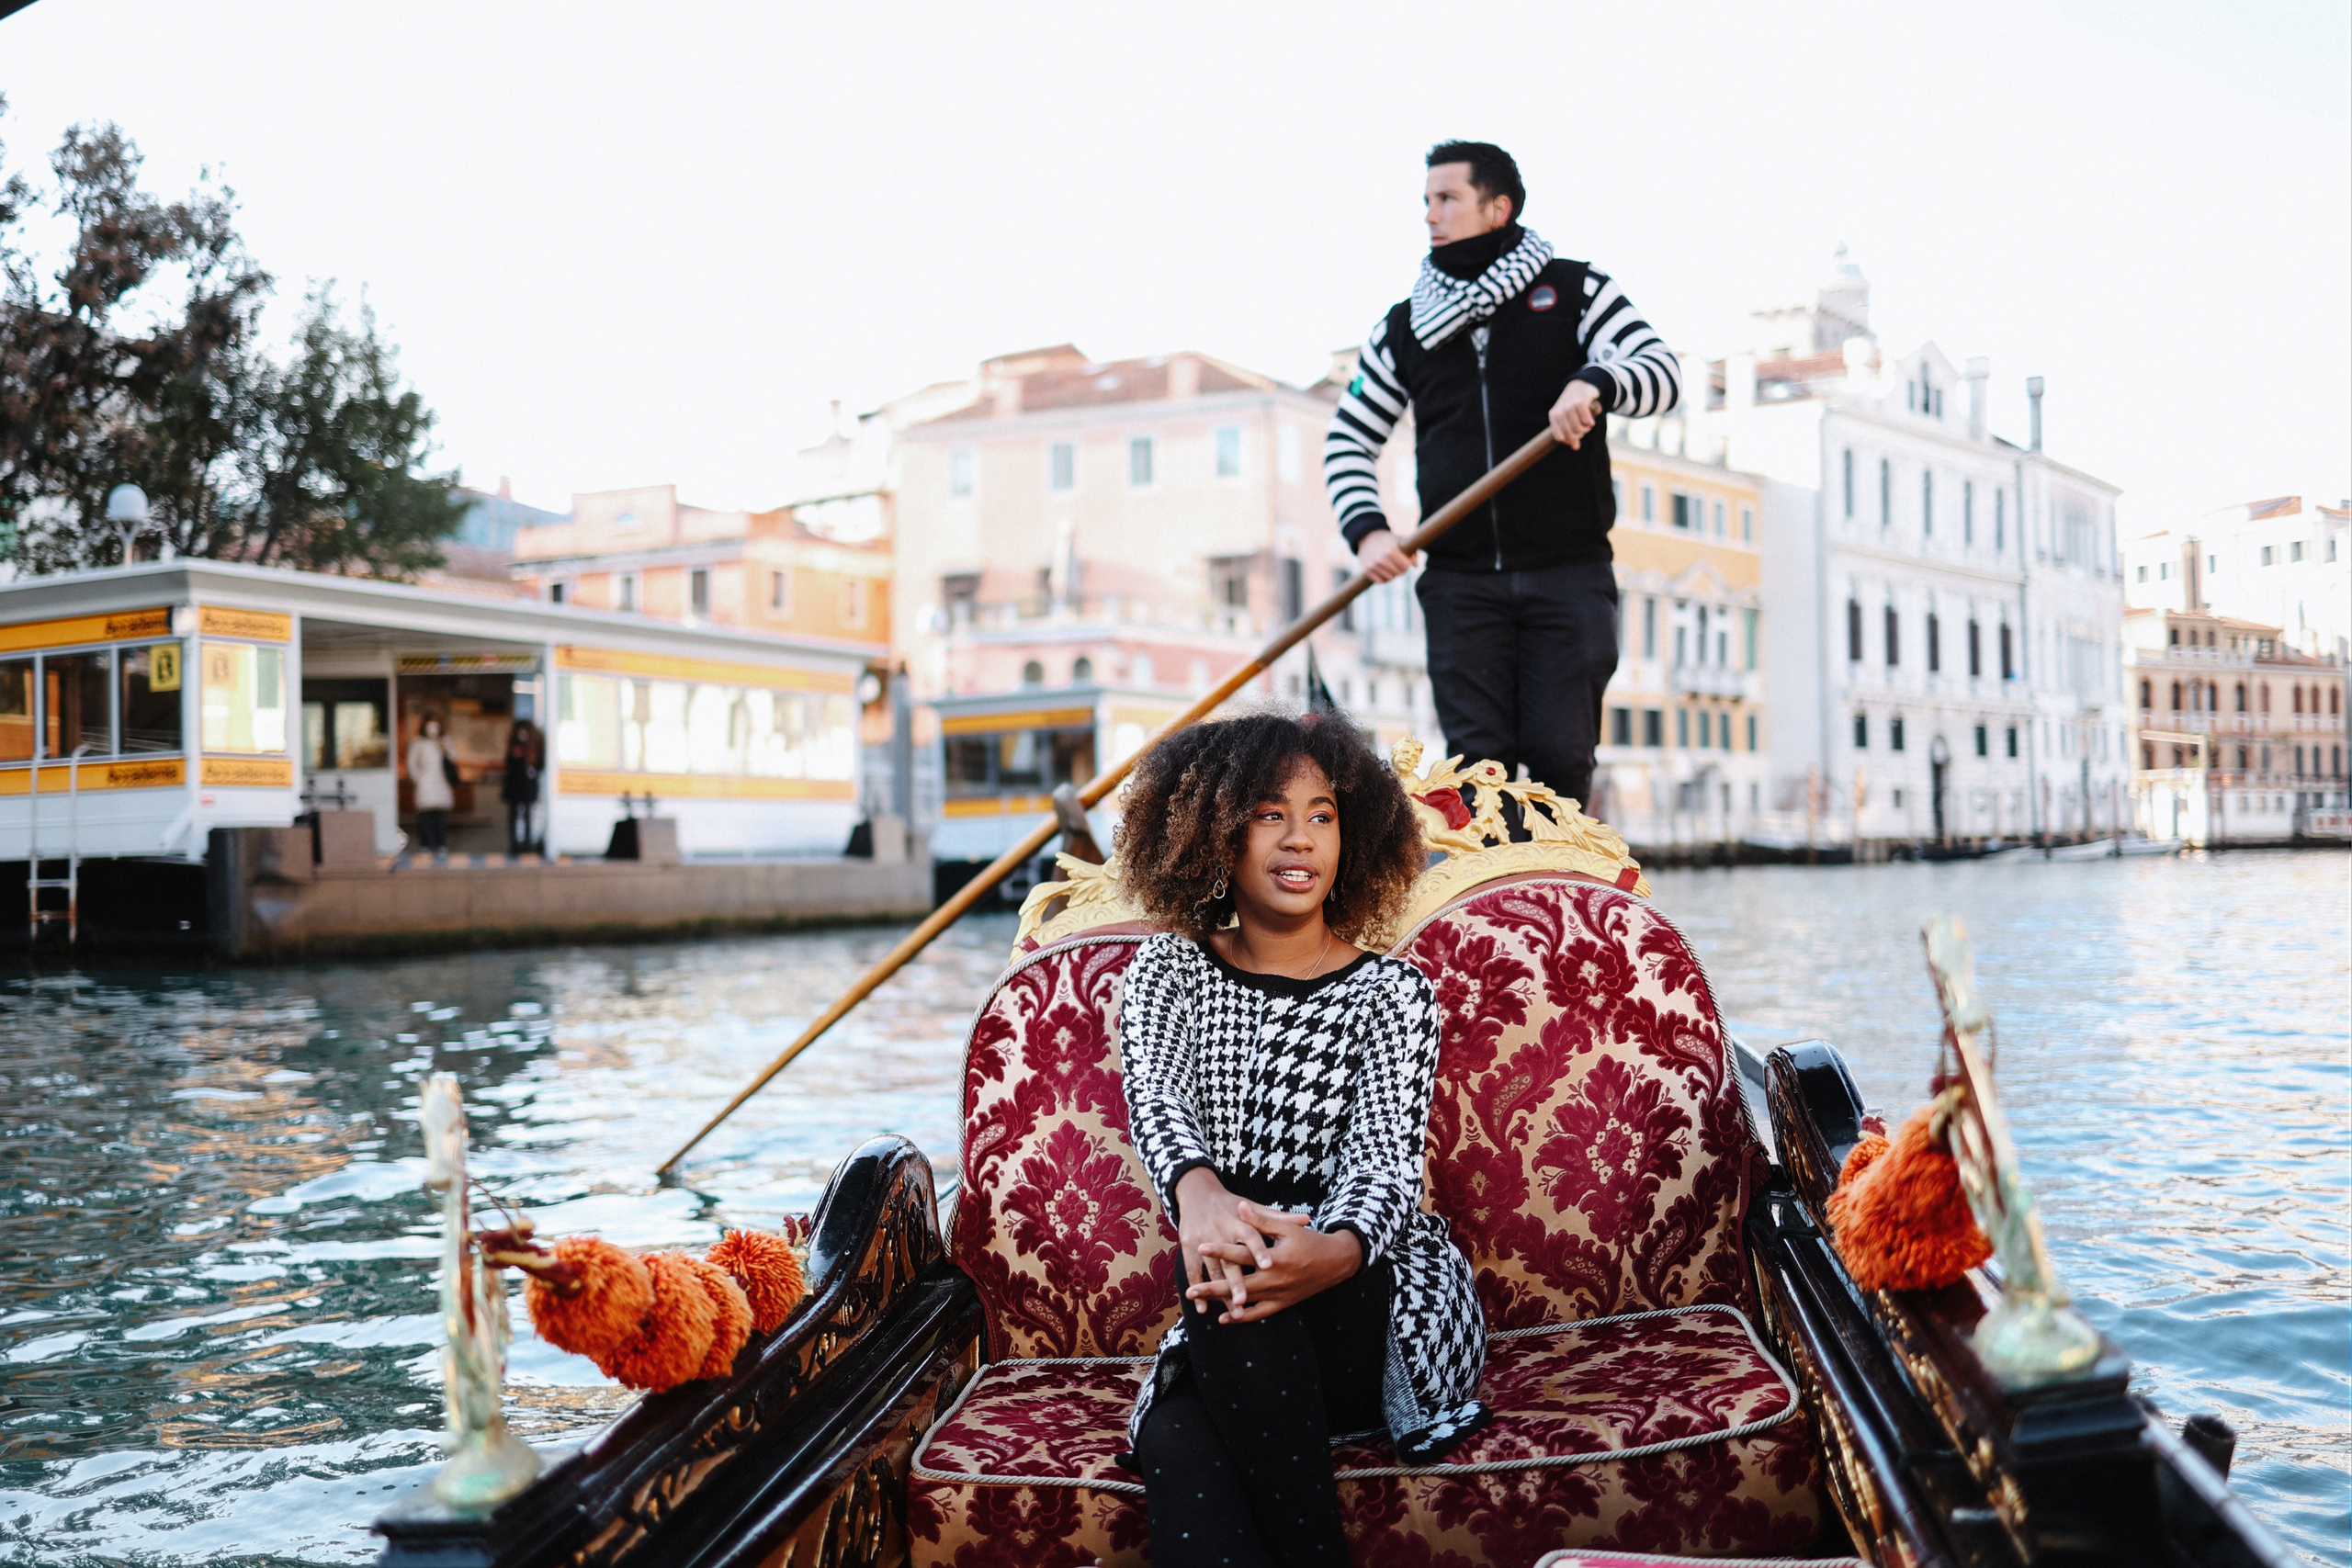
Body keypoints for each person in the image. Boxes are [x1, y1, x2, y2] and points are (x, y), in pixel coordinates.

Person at [1114, 709, 1487, 1567]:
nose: (1301, 838)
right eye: (1269, 813)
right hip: (1232, 1283)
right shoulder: (1167, 972)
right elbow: (1158, 1097)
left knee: (1226, 1273)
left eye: (1322, 815)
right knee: (1176, 1438)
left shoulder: (1394, 991)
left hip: (1377, 1291)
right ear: (1214, 830)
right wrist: (1200, 1198)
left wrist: (1336, 1248)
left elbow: (1385, 1159)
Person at [1324, 140, 1680, 810]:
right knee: (1474, 772)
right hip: (1461, 585)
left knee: (1558, 760)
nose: (1431, 215)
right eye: (1427, 201)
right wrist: (1369, 531)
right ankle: (1491, 908)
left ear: (1498, 207)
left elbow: (1661, 373)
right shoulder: (1406, 328)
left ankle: (1562, 899)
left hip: (1566, 575)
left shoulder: (1577, 291)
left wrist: (1596, 380)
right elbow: (1348, 438)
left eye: (1447, 199)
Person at [408, 715, 455, 856]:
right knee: (424, 817)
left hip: (441, 784)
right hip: (425, 785)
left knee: (440, 817)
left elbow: (453, 759)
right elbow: (412, 763)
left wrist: (444, 749)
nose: (433, 727)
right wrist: (418, 779)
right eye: (430, 723)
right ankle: (425, 845)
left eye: (436, 723)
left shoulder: (445, 741)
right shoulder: (418, 743)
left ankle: (440, 844)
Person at [502, 720, 543, 856]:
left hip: (527, 789)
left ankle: (526, 845)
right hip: (514, 788)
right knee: (513, 817)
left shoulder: (534, 749)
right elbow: (508, 764)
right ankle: (515, 846)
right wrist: (516, 756)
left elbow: (539, 766)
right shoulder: (513, 747)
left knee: (527, 816)